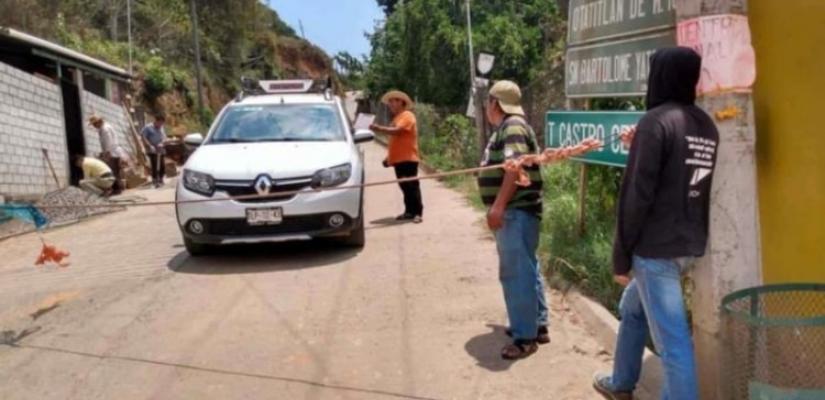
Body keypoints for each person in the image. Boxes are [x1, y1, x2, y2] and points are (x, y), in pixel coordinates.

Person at [593, 47, 719, 400]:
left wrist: (622, 257)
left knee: (674, 346)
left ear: (659, 76)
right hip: (687, 245)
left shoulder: (655, 122)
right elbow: (678, 172)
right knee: (631, 309)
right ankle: (621, 382)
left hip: (655, 251)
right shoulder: (705, 125)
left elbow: (637, 196)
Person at [478, 80, 549, 360]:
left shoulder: (513, 127)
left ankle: (524, 338)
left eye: (488, 102)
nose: (486, 107)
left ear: (495, 103)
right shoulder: (511, 127)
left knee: (516, 273)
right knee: (528, 268)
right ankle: (537, 324)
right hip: (519, 212)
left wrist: (498, 206)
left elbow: (513, 169)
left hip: (516, 212)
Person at [369, 90, 424, 223]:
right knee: (404, 187)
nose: (390, 104)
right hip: (398, 159)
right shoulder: (396, 118)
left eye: (393, 101)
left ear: (401, 102)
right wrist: (389, 158)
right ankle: (409, 211)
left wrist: (378, 128)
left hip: (408, 158)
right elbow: (395, 141)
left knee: (411, 185)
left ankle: (418, 213)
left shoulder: (407, 115)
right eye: (390, 102)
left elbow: (398, 131)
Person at [89, 116, 122, 195]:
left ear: (98, 122)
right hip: (112, 151)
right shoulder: (105, 127)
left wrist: (107, 153)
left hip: (111, 152)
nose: (94, 126)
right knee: (115, 171)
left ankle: (117, 189)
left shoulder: (105, 129)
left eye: (94, 124)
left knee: (112, 171)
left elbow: (108, 142)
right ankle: (117, 189)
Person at [141, 114, 168, 188]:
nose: (160, 125)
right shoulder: (148, 127)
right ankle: (155, 179)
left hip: (161, 149)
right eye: (160, 123)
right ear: (156, 121)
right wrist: (150, 146)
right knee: (155, 164)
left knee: (162, 165)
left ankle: (161, 179)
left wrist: (162, 143)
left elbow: (164, 137)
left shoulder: (161, 128)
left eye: (162, 123)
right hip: (152, 149)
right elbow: (143, 137)